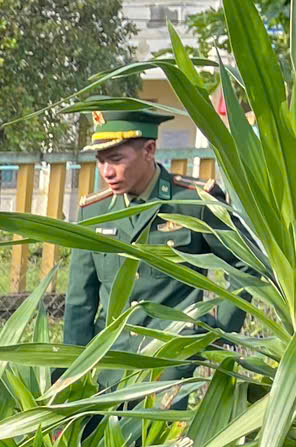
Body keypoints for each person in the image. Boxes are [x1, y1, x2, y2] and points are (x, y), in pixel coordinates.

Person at [61, 105, 236, 350]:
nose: (107, 172)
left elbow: (243, 265)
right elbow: (80, 299)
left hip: (173, 355)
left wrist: (220, 330)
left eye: (116, 160)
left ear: (149, 150)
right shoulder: (94, 211)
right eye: (100, 161)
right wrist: (71, 366)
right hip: (113, 358)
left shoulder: (194, 202)